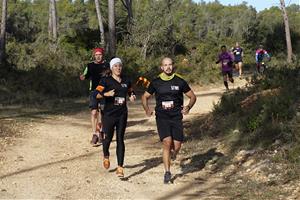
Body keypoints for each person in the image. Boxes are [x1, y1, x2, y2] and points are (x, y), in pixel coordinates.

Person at [141, 57, 197, 184]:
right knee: (167, 142)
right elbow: (145, 97)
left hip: (176, 116)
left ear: (173, 66)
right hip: (162, 117)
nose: (168, 67)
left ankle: (173, 154)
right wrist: (147, 109)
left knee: (177, 145)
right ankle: (167, 172)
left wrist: (188, 107)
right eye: (165, 65)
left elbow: (192, 96)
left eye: (170, 65)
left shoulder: (179, 81)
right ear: (161, 67)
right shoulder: (156, 82)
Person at [94, 57, 136, 178]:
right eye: (115, 66)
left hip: (122, 113)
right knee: (107, 139)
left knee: (120, 139)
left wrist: (132, 96)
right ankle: (106, 155)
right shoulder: (105, 81)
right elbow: (96, 94)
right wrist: (106, 94)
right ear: (111, 68)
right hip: (108, 114)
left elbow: (130, 91)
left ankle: (120, 167)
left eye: (120, 66)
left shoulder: (126, 80)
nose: (118, 68)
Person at [79, 48, 110, 146]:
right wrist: (82, 77)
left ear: (102, 55)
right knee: (93, 112)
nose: (98, 56)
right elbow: (85, 75)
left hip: (104, 92)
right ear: (94, 55)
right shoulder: (90, 65)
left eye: (100, 54)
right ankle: (95, 134)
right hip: (93, 92)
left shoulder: (107, 65)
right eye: (96, 54)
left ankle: (100, 131)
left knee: (103, 112)